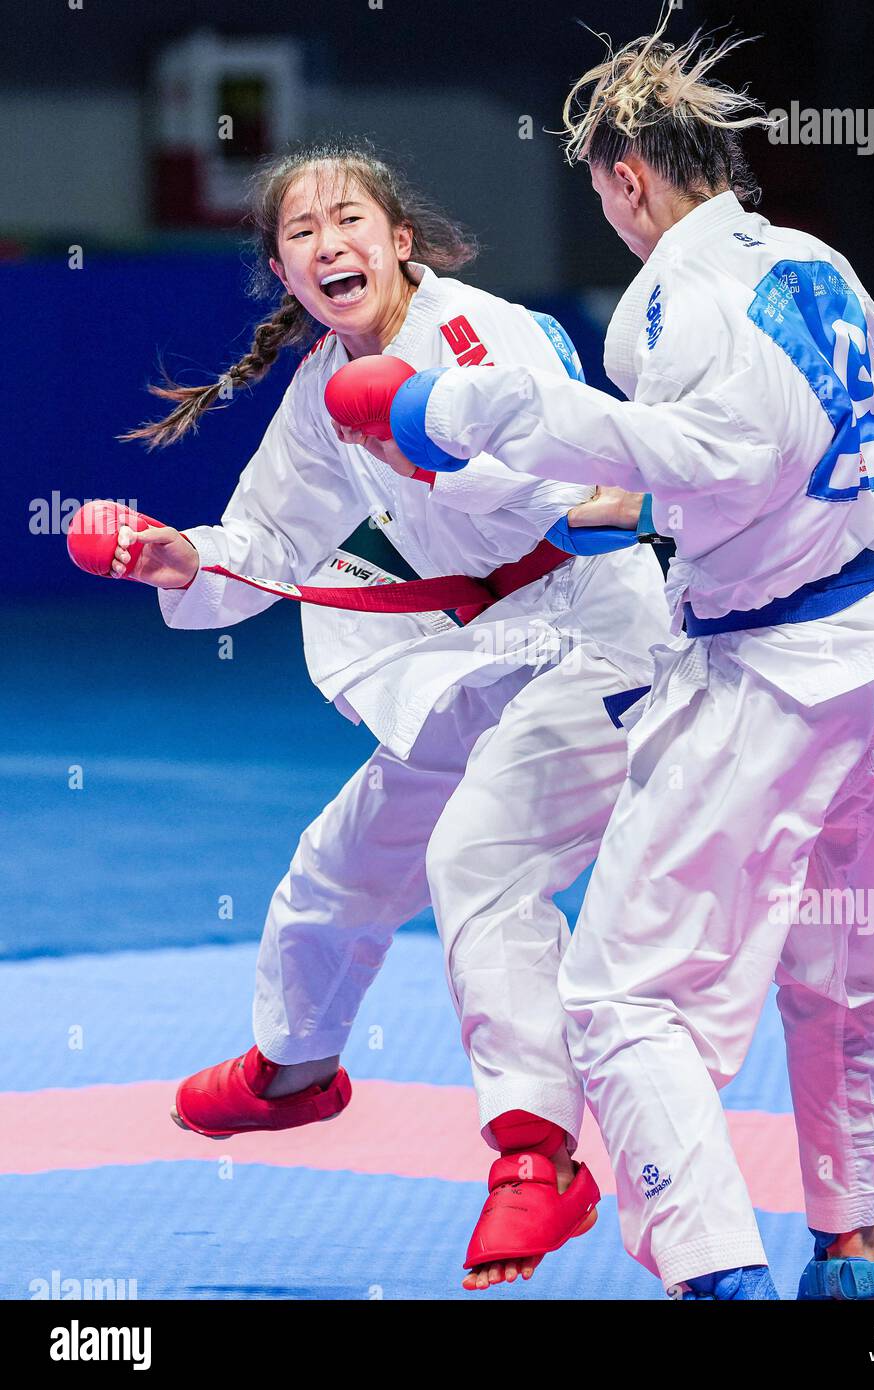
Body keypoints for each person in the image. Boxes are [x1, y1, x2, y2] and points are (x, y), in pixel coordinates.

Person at [334, 22, 874, 1300]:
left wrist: (445, 416)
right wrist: (630, 498)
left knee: (617, 998)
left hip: (772, 682)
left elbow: (715, 449)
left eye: (601, 192)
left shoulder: (671, 292)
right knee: (835, 966)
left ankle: (718, 1279)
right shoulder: (811, 257)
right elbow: (768, 447)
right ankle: (853, 1253)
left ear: (623, 176)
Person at [115, 141, 672, 1291]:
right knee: (343, 861)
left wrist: (420, 431)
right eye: (301, 233)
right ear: (283, 272)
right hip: (475, 655)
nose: (329, 244)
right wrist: (180, 559)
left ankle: (538, 1156)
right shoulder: (326, 386)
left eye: (349, 220)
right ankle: (294, 1066)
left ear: (398, 240)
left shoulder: (477, 338)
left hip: (592, 633)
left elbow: (571, 486)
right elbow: (264, 540)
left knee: (483, 861)